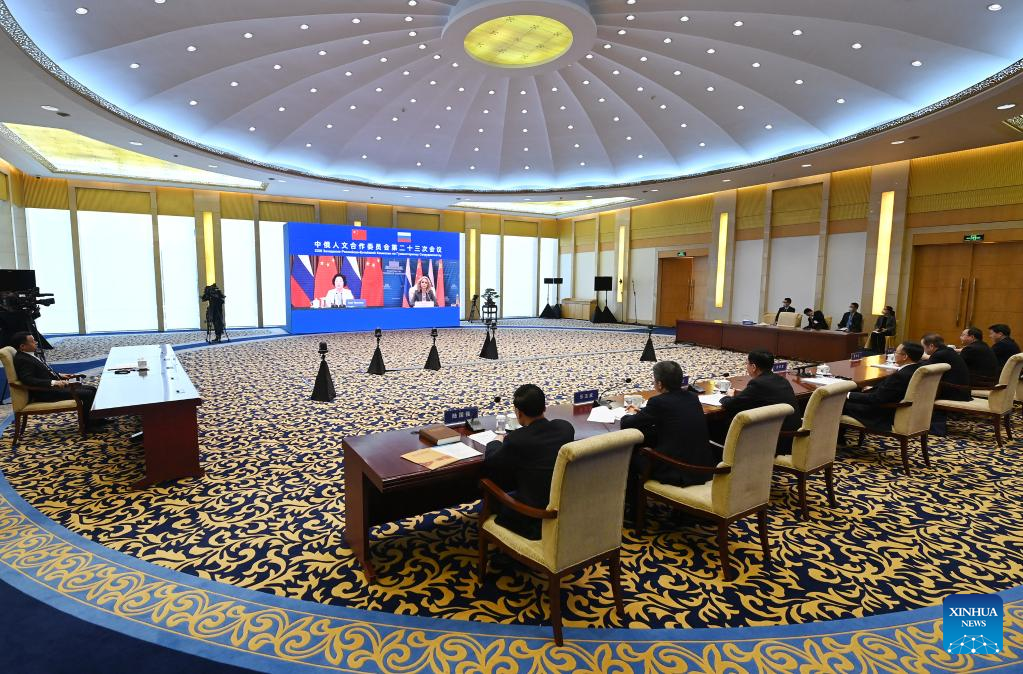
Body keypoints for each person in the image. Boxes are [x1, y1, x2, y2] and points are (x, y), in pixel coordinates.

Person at [483, 384, 574, 540]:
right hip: (564, 507)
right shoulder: (565, 428)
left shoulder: (517, 439)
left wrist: (495, 441)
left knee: (491, 484)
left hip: (532, 518)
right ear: (544, 408)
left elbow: (492, 462)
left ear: (518, 413)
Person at [621, 361, 715, 489]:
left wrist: (631, 413)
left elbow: (627, 424)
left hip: (679, 470)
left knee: (629, 458)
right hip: (702, 467)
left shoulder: (658, 402)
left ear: (660, 384)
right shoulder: (692, 397)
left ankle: (634, 501)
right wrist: (643, 413)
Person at [711, 350, 800, 455]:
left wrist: (727, 396)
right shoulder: (782, 380)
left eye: (747, 364)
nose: (746, 366)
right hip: (793, 439)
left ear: (753, 367)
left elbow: (730, 404)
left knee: (716, 424)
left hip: (775, 442)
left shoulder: (758, 383)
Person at [10, 331, 101, 427]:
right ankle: (89, 425)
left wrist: (60, 375)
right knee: (88, 394)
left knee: (92, 389)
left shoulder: (30, 354)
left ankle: (97, 419)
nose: (36, 342)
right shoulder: (23, 360)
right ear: (22, 346)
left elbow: (44, 372)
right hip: (46, 392)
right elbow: (28, 379)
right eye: (32, 341)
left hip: (53, 388)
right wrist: (53, 382)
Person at [842, 341, 922, 430]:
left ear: (905, 357)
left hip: (879, 413)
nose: (894, 354)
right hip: (890, 405)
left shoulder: (900, 376)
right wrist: (874, 388)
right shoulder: (917, 369)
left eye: (896, 352)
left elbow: (876, 399)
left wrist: (848, 394)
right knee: (856, 391)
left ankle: (838, 436)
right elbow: (890, 391)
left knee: (838, 403)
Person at [922, 333, 971, 436]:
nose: (924, 350)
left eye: (924, 347)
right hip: (962, 389)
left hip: (955, 391)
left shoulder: (939, 355)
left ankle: (934, 427)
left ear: (931, 346)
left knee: (922, 390)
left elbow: (924, 369)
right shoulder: (948, 351)